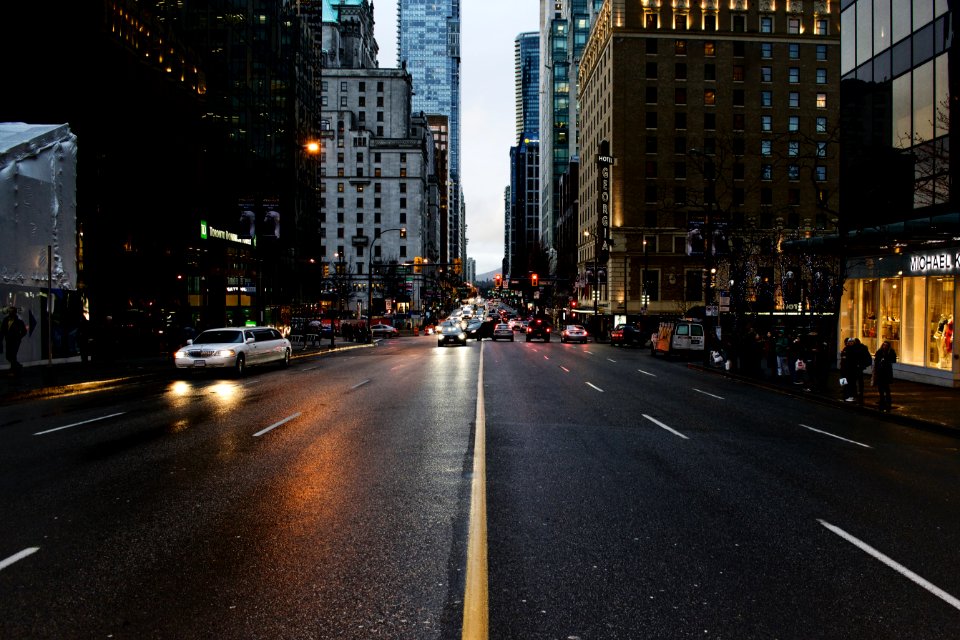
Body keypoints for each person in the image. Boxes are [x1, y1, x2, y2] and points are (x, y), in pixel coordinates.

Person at [1, 306, 28, 373]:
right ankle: (18, 366)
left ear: (15, 312)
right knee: (8, 356)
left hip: (16, 341)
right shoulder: (6, 320)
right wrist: (1, 338)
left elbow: (24, 331)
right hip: (8, 340)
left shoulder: (19, 321)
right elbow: (2, 330)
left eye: (12, 311)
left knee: (13, 355)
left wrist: (19, 337)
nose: (10, 313)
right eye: (9, 311)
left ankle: (13, 370)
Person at [873, 340, 897, 412]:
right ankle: (882, 399)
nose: (884, 346)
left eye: (886, 345)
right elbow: (876, 360)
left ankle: (887, 400)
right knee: (880, 387)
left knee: (886, 387)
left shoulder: (890, 352)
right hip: (880, 372)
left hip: (886, 372)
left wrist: (886, 360)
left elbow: (893, 360)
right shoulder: (879, 351)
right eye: (884, 345)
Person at [851, 338, 872, 403]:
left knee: (853, 379)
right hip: (857, 367)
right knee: (858, 380)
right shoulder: (862, 348)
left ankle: (852, 391)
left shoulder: (854, 348)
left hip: (855, 367)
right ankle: (858, 391)